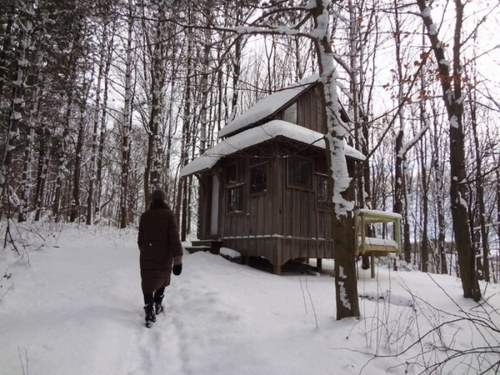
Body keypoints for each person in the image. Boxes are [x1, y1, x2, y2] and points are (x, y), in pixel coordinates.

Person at [137, 189, 183, 327]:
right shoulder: (169, 215)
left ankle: (149, 310)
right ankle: (158, 303)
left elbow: (140, 239)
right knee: (163, 278)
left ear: (152, 201)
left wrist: (146, 250)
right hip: (164, 256)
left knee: (148, 281)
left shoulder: (145, 216)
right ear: (163, 201)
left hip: (147, 255)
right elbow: (174, 239)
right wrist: (178, 259)